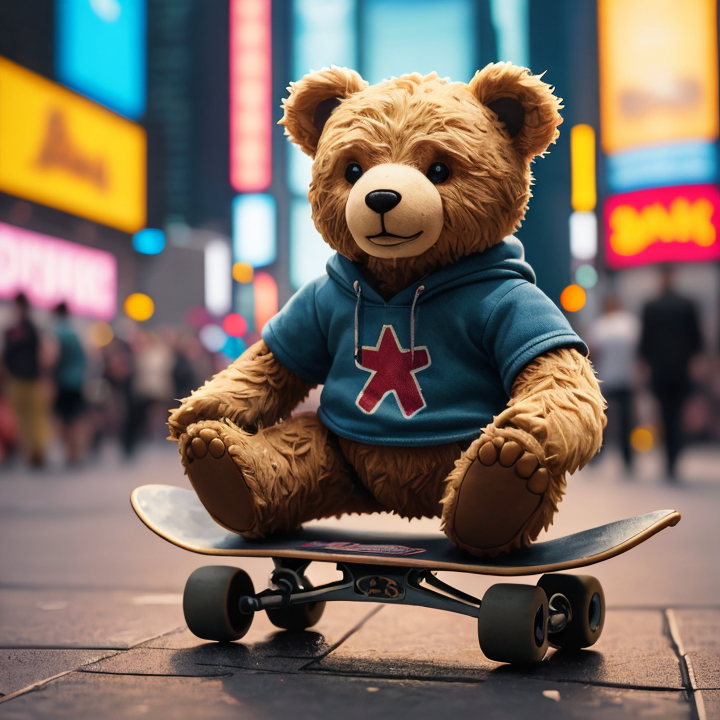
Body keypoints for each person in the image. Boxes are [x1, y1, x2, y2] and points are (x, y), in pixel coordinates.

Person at [639, 267, 703, 480]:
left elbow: (645, 341)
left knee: (666, 414)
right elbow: (696, 339)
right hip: (681, 368)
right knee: (676, 414)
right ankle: (674, 456)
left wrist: (644, 364)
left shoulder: (651, 306)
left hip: (660, 369)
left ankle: (670, 458)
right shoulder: (687, 305)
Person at [588, 295, 640, 475]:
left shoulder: (628, 323)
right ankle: (596, 456)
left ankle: (628, 458)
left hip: (624, 377)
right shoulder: (601, 325)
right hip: (606, 379)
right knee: (602, 421)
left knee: (625, 421)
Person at [1, 293, 50, 467]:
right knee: (27, 418)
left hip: (25, 380)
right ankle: (31, 452)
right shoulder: (26, 328)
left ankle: (34, 452)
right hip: (24, 379)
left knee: (28, 418)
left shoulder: (20, 329)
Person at [52, 302, 88, 465]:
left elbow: (52, 358)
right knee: (77, 419)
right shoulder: (75, 332)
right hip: (77, 382)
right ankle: (77, 453)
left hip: (62, 382)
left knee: (63, 420)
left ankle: (69, 453)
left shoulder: (57, 332)